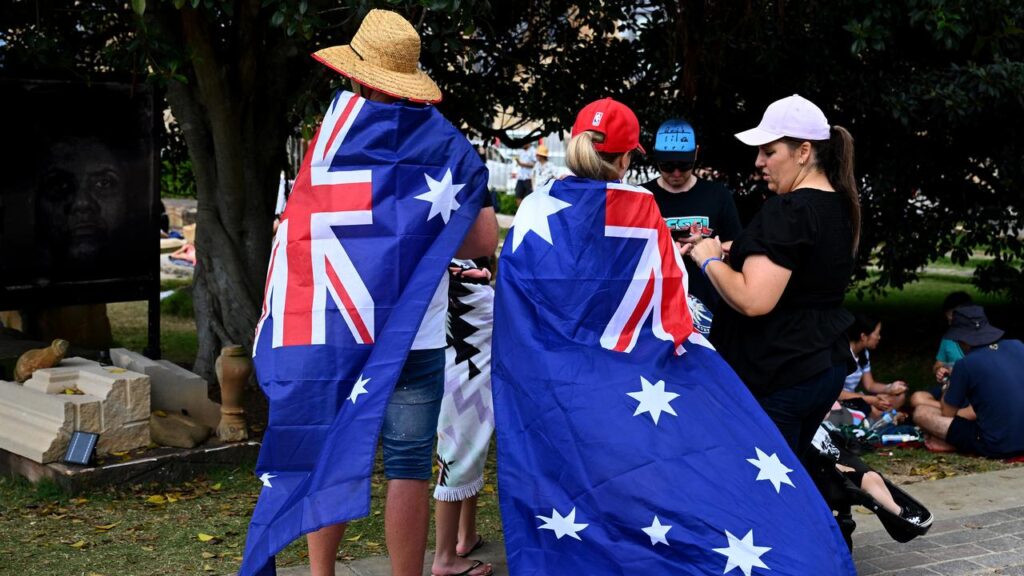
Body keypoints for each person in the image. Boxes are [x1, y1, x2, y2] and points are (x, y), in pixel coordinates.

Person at [490, 97, 856, 574]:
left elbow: (515, 294)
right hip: (640, 375)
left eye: (769, 151)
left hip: (556, 378)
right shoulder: (642, 208)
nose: (760, 161)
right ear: (626, 158)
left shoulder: (535, 208)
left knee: (578, 471)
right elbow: (671, 306)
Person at [240, 10, 497, 576]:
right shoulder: (445, 148)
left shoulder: (329, 137)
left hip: (336, 331)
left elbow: (300, 235)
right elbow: (482, 240)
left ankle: (321, 573)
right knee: (406, 465)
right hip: (415, 332)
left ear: (356, 76)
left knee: (329, 451)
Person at [689, 94, 860, 462]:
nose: (759, 162)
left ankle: (844, 497)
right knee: (796, 475)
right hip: (821, 364)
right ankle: (857, 485)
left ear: (803, 151)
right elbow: (801, 262)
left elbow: (754, 299)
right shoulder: (837, 203)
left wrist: (706, 259)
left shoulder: (790, 209)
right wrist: (737, 249)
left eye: (769, 151)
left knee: (766, 491)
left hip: (783, 371)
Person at [641, 119, 742, 321]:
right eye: (667, 166)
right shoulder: (643, 196)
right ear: (656, 156)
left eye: (684, 165)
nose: (676, 173)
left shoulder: (718, 195)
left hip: (709, 309)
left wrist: (708, 249)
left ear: (696, 153)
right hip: (655, 310)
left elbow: (739, 247)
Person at [431, 259, 495, 576]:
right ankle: (444, 558)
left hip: (472, 375)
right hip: (463, 376)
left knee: (471, 452)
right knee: (456, 457)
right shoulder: (442, 266)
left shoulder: (461, 262)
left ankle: (464, 536)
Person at [912, 305, 1024, 458]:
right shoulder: (1018, 346)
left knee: (922, 412)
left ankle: (949, 443)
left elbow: (947, 413)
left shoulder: (965, 364)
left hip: (997, 444)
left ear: (961, 340)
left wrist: (947, 381)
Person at [910, 291, 974, 411]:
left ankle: (951, 410)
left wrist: (957, 371)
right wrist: (939, 370)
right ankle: (953, 410)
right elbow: (937, 365)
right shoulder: (948, 338)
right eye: (948, 320)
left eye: (953, 320)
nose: (950, 324)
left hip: (968, 391)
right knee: (916, 398)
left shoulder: (981, 339)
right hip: (948, 387)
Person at [839, 313, 907, 418]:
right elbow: (838, 394)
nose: (879, 337)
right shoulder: (843, 355)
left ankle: (882, 418)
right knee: (873, 410)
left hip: (858, 398)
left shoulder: (863, 353)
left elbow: (870, 385)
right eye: (877, 334)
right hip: (841, 401)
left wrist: (890, 388)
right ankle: (884, 419)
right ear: (863, 336)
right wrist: (871, 400)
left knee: (899, 398)